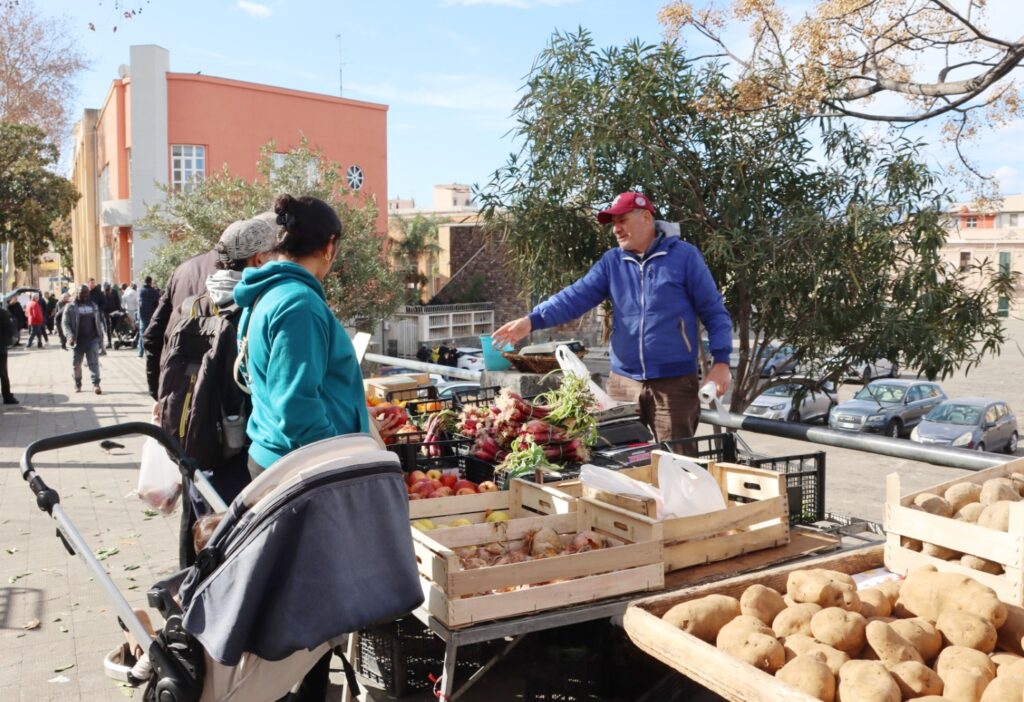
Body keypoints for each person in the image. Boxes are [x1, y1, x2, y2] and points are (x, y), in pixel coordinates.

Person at [233, 194, 403, 701]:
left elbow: (262, 381)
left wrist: (355, 420)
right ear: (329, 247)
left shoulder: (267, 293)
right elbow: (296, 408)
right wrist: (346, 459)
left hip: (277, 462)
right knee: (309, 612)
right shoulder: (298, 303)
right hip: (299, 473)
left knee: (298, 605)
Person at [492, 192, 733, 442]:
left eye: (622, 221)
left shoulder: (685, 257)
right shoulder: (612, 262)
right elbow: (575, 296)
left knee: (677, 467)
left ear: (646, 217)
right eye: (613, 224)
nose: (616, 229)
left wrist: (722, 362)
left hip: (672, 385)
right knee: (620, 462)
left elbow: (715, 312)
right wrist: (531, 320)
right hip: (622, 383)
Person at [161, 216, 278, 568]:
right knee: (240, 554)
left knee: (206, 543)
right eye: (277, 251)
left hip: (198, 447)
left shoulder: (192, 306)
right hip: (240, 455)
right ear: (258, 259)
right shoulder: (253, 308)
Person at [143, 250, 219, 400]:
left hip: (179, 390)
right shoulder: (248, 270)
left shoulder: (183, 269)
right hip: (223, 397)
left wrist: (159, 393)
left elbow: (152, 336)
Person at [62, 285, 104, 394]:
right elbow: (65, 323)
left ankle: (96, 384)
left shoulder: (94, 306)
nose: (85, 295)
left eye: (86, 293)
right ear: (77, 293)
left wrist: (100, 338)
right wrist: (70, 336)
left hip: (92, 339)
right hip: (77, 341)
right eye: (82, 293)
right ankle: (77, 383)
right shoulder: (70, 307)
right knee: (76, 364)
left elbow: (98, 323)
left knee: (94, 362)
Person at [138, 276, 160, 357]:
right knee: (151, 333)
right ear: (150, 282)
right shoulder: (153, 291)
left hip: (142, 315)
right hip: (151, 315)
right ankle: (149, 352)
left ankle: (140, 352)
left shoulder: (140, 291)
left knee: (142, 333)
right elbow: (157, 303)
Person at [0, 304, 18, 404]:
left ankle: (7, 396)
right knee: (3, 374)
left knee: (3, 374)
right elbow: (9, 330)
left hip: (1, 348)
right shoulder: (3, 313)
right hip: (1, 349)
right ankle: (7, 397)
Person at [102, 282, 122, 350]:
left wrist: (119, 310)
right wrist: (104, 312)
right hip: (106, 313)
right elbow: (102, 303)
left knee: (116, 326)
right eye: (107, 289)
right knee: (108, 328)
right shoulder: (103, 293)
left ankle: (120, 340)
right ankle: (109, 342)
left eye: (109, 288)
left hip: (115, 312)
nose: (109, 290)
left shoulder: (114, 292)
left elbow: (118, 301)